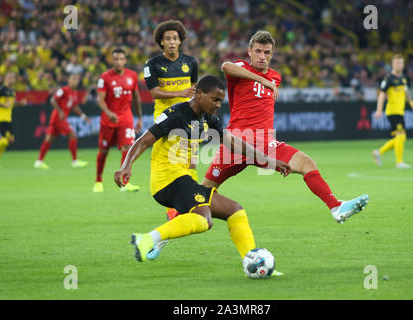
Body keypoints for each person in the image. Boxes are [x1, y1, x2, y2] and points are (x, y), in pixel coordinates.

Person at [114, 76, 290, 274]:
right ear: (199, 94)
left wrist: (268, 160)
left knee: (235, 211)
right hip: (166, 179)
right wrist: (126, 165)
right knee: (203, 220)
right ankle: (147, 239)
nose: (217, 105)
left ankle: (254, 262)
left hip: (184, 179)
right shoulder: (176, 114)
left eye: (220, 101)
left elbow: (233, 142)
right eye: (214, 99)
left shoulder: (207, 118)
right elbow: (144, 140)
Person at [200, 31, 368, 224]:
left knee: (307, 163)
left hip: (265, 143)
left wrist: (266, 80)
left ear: (272, 54)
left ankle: (336, 206)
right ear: (249, 51)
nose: (262, 56)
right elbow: (225, 66)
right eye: (258, 51)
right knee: (203, 193)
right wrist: (260, 79)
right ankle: (166, 230)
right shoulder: (241, 69)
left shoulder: (275, 77)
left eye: (267, 52)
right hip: (236, 143)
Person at [144, 20, 198, 220]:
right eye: (168, 38)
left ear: (180, 40)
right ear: (161, 42)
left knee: (191, 162)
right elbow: (154, 93)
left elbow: (192, 90)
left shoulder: (191, 63)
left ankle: (188, 204)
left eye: (175, 38)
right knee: (171, 163)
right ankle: (175, 206)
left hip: (187, 117)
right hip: (165, 119)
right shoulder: (152, 64)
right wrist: (180, 91)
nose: (172, 42)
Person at [94, 48, 143, 192]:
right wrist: (108, 113)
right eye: (116, 59)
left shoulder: (132, 76)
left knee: (127, 149)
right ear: (111, 60)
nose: (119, 62)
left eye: (122, 59)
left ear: (125, 60)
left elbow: (136, 97)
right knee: (103, 151)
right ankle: (98, 180)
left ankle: (125, 183)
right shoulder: (105, 77)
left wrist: (139, 117)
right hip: (109, 120)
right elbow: (100, 99)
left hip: (126, 118)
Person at [34, 73, 90, 169]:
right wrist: (60, 111)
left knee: (49, 139)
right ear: (69, 80)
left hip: (59, 118)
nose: (75, 81)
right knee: (73, 135)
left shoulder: (74, 93)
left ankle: (39, 162)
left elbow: (75, 107)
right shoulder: (63, 90)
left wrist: (83, 116)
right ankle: (75, 161)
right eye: (73, 79)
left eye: (77, 79)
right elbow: (53, 100)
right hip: (58, 117)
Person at [372, 54, 413, 168]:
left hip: (400, 111)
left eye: (401, 63)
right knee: (400, 136)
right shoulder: (388, 79)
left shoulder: (403, 78)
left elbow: (406, 92)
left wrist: (412, 103)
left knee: (400, 137)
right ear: (393, 64)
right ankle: (399, 162)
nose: (400, 65)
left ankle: (378, 152)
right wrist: (379, 110)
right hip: (392, 111)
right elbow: (382, 95)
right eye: (397, 63)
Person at [0, 72, 27, 168]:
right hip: (0, 118)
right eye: (9, 76)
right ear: (5, 78)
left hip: (8, 118)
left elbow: (12, 104)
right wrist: (3, 105)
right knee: (4, 141)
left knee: (10, 140)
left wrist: (20, 103)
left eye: (13, 77)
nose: (11, 78)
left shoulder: (12, 91)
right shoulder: (0, 89)